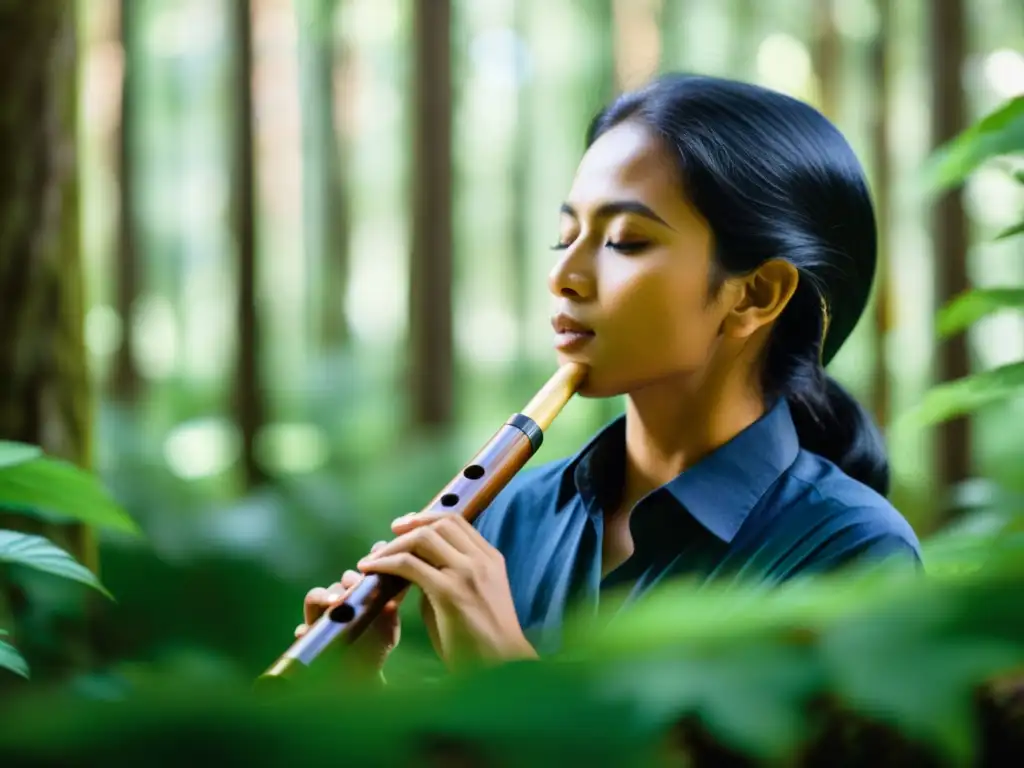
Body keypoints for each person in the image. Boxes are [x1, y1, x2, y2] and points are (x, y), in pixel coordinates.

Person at [297, 74, 922, 677]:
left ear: (755, 294)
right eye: (567, 236)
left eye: (624, 241)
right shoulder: (511, 514)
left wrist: (509, 675)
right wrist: (360, 696)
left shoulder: (852, 553)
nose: (564, 275)